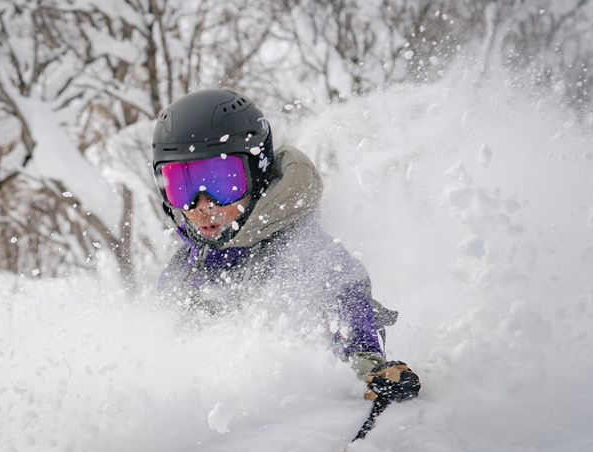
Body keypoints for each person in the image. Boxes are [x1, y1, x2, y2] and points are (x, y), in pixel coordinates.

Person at [153, 89, 420, 405]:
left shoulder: (302, 249)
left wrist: (368, 363)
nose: (203, 206)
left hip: (291, 413)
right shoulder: (185, 267)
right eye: (182, 187)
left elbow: (344, 292)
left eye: (222, 182)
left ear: (257, 175)